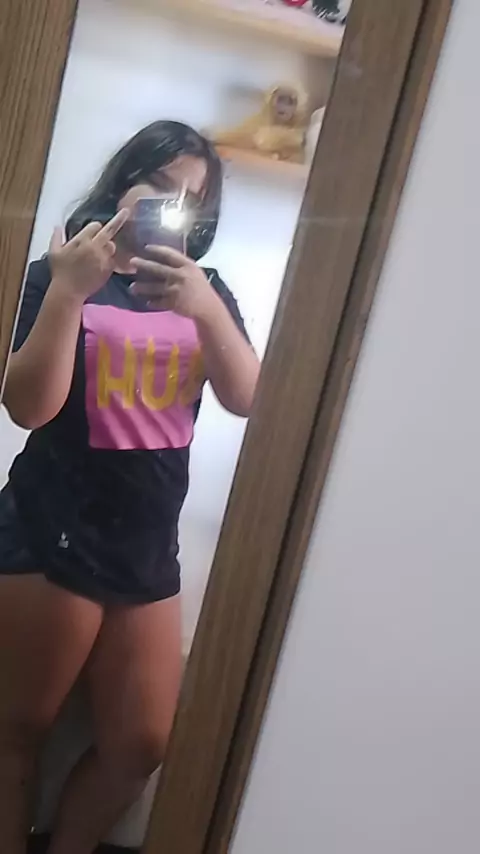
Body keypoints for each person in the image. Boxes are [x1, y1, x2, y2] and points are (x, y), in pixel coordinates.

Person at [0, 120, 260, 854]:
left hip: (146, 545)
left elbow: (250, 398)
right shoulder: (59, 272)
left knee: (141, 745)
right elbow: (28, 407)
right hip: (51, 527)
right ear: (123, 185)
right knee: (17, 731)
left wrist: (203, 306)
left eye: (191, 198)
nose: (174, 205)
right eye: (160, 185)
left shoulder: (205, 291)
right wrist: (68, 292)